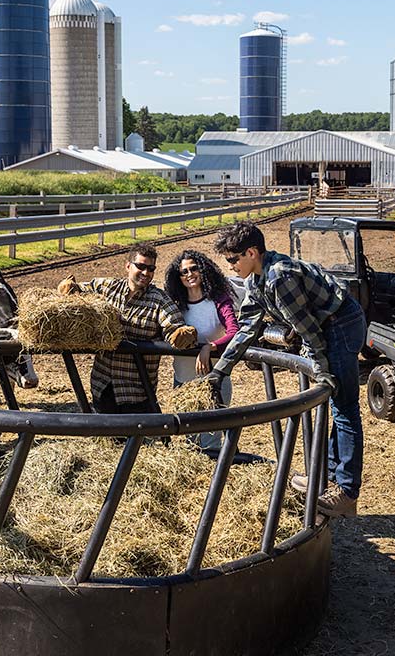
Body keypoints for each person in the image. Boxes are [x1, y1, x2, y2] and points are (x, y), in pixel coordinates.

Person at [204, 221, 365, 518]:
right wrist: (221, 369)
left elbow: (308, 329)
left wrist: (321, 366)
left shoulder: (279, 277)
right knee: (335, 404)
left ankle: (346, 491)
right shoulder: (255, 281)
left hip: (341, 323)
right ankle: (327, 479)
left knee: (344, 407)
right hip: (324, 324)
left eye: (233, 259)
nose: (230, 266)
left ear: (252, 253)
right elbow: (247, 328)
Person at [60, 243, 191, 415]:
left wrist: (179, 333)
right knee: (104, 429)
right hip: (103, 384)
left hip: (136, 391)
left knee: (138, 432)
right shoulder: (107, 287)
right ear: (128, 266)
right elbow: (82, 291)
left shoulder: (159, 300)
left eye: (151, 269)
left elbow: (172, 325)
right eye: (141, 266)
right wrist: (71, 288)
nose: (146, 273)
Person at [164, 249, 240, 452]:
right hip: (183, 381)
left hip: (213, 382)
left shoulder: (218, 300)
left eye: (194, 269)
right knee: (189, 441)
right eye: (184, 272)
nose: (189, 274)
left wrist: (211, 346)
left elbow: (234, 331)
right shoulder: (175, 305)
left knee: (210, 443)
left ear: (203, 270)